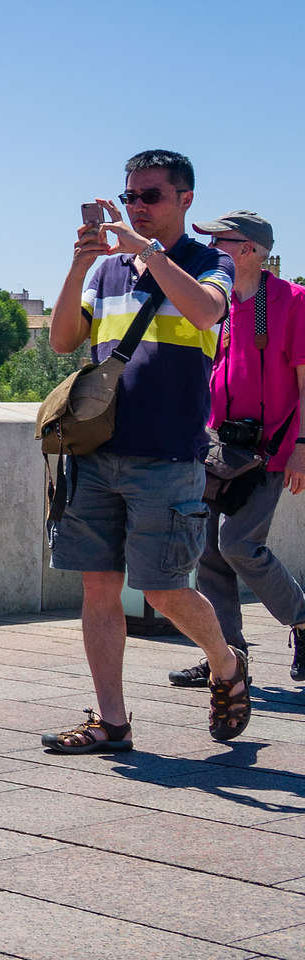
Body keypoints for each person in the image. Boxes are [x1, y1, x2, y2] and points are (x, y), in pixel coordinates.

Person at [43, 149, 249, 753]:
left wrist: (147, 252)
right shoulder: (109, 274)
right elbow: (61, 341)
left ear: (186, 200)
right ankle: (113, 722)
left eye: (151, 196)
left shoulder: (208, 261)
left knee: (161, 588)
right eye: (130, 196)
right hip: (96, 451)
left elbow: (207, 310)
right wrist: (80, 266)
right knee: (99, 587)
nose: (137, 207)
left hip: (167, 454)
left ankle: (225, 661)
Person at [169, 212, 305, 686]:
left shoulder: (291, 301)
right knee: (206, 552)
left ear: (247, 248)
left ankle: (302, 619)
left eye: (218, 241)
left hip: (271, 450)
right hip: (216, 448)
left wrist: (302, 448)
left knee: (239, 544)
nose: (207, 247)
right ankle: (226, 657)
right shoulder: (218, 303)